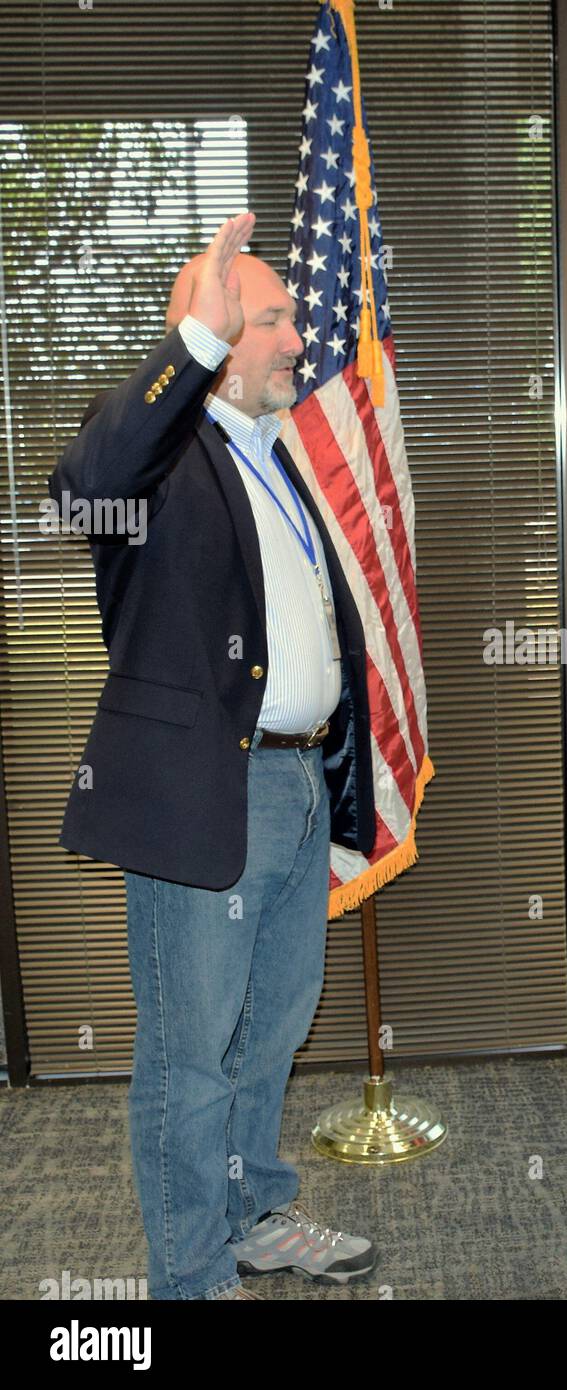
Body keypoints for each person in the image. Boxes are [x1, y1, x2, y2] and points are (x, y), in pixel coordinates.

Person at [49, 213, 379, 1300]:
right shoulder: (151, 449)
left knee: (271, 1030)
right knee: (191, 1058)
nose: (295, 336)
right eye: (270, 316)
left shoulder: (275, 456)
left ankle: (251, 1214)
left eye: (287, 314)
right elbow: (79, 482)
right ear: (211, 328)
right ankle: (187, 1280)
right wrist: (187, 346)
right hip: (206, 792)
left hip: (291, 783)